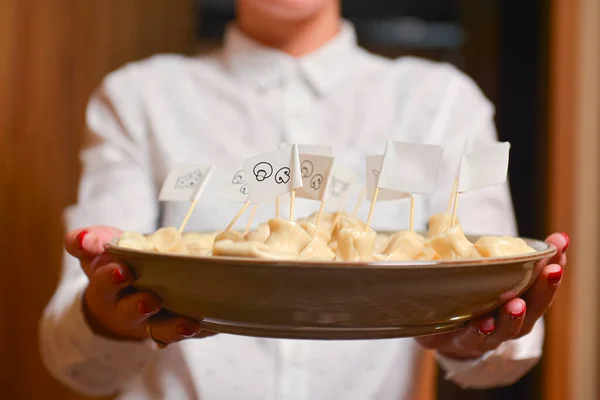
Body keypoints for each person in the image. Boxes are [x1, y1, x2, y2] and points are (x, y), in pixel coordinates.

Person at [39, 0, 569, 398]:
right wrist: (108, 316)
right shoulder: (139, 99)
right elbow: (76, 362)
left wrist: (473, 335)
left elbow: (508, 352)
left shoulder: (441, 103)